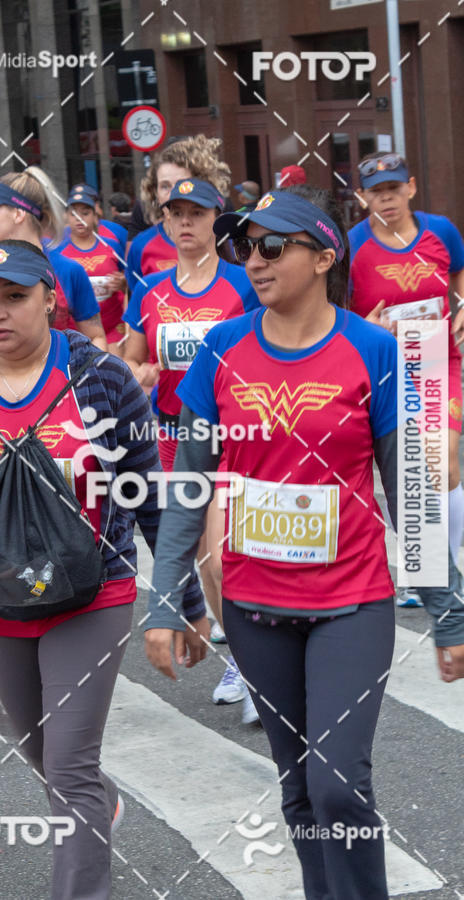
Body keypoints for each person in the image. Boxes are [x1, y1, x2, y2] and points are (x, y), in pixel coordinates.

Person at [144, 185, 464, 900]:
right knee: (299, 792)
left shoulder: (372, 349)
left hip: (353, 602)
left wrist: (450, 612)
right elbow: (189, 486)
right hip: (254, 605)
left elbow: (406, 491)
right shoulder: (222, 347)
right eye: (243, 247)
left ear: (324, 256)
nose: (251, 261)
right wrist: (169, 601)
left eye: (270, 246)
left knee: (338, 783)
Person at [0, 239, 206, 900]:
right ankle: (101, 804)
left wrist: (181, 600)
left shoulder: (102, 377)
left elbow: (148, 498)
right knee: (46, 758)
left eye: (13, 296)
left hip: (93, 596)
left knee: (68, 767)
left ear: (50, 298)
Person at [124, 177, 261, 722]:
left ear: (215, 220)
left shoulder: (240, 283)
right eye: (174, 212)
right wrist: (140, 373)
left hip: (226, 433)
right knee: (205, 563)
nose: (184, 222)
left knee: (225, 556)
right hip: (168, 434)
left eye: (196, 213)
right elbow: (131, 359)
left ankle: (256, 671)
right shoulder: (151, 289)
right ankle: (245, 655)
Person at [349, 153, 464, 607]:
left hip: (437, 357)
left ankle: (440, 571)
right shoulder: (352, 244)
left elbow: (457, 273)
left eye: (393, 190)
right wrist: (367, 328)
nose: (387, 199)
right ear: (363, 198)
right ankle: (423, 566)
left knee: (445, 463)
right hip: (385, 367)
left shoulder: (442, 232)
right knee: (407, 473)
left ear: (410, 188)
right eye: (376, 192)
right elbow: (338, 309)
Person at [0, 170, 107, 370]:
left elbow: (96, 337)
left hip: (57, 390)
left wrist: (90, 385)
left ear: (18, 213)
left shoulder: (68, 270)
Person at [126, 135, 231, 294]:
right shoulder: (141, 246)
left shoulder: (225, 243)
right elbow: (134, 305)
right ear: (154, 192)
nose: (173, 194)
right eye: (165, 186)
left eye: (182, 184)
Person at [57, 187, 127, 355]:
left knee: (114, 376)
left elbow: (130, 282)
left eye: (85, 213)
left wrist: (123, 283)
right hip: (74, 332)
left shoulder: (112, 245)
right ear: (66, 217)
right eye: (74, 213)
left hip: (113, 328)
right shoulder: (58, 250)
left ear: (96, 217)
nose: (79, 218)